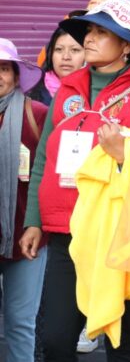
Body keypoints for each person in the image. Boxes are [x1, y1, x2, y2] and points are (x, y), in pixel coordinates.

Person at [20, 0, 130, 361]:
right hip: (64, 234)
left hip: (119, 236)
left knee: (120, 344)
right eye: (90, 29)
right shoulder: (67, 92)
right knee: (55, 341)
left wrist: (124, 156)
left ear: (126, 47)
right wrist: (33, 222)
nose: (88, 38)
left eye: (102, 33)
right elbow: (44, 157)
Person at [0, 38, 48, 362]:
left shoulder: (38, 114)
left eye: (3, 69)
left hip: (25, 237)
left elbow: (52, 174)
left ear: (16, 77)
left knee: (20, 323)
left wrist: (39, 224)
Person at [29, 28, 85, 106]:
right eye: (59, 49)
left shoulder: (96, 92)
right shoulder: (34, 94)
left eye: (75, 50)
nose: (66, 57)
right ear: (51, 54)